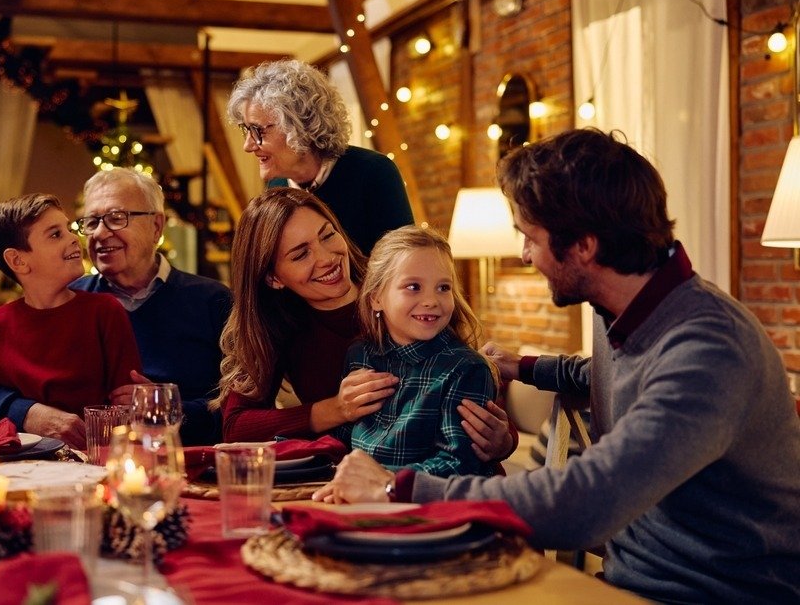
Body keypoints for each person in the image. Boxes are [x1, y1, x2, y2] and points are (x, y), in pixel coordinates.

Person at [315, 129, 800, 603]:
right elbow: (608, 373)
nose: (525, 256)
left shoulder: (710, 350)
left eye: (530, 238)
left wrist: (396, 487)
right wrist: (524, 367)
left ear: (583, 246)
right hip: (625, 579)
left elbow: (585, 502)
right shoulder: (628, 310)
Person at [214, 187, 513, 468]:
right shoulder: (278, 325)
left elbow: (466, 379)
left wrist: (506, 439)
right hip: (363, 481)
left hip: (437, 481)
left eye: (327, 235)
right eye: (301, 254)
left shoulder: (404, 286)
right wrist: (336, 409)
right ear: (274, 278)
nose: (327, 258)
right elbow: (236, 426)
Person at [0, 169, 231, 447]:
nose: (100, 233)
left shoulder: (214, 301)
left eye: (117, 218)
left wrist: (168, 410)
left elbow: (242, 407)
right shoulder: (63, 301)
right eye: (91, 222)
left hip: (183, 459)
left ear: (156, 226)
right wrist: (26, 412)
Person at [0, 193, 143, 449]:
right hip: (18, 464)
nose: (74, 238)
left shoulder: (105, 311)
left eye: (69, 229)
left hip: (93, 459)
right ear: (18, 261)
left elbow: (127, 407)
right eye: (55, 234)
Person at [332, 225, 498, 477]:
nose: (431, 301)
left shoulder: (466, 369)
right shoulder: (360, 354)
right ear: (376, 298)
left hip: (430, 498)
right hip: (359, 492)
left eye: (443, 288)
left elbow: (459, 464)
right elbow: (344, 438)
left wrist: (384, 481)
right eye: (413, 287)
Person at [228, 59, 414, 256]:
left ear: (300, 125)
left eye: (258, 130)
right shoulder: (277, 187)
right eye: (246, 130)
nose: (248, 146)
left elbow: (405, 263)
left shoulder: (373, 172)